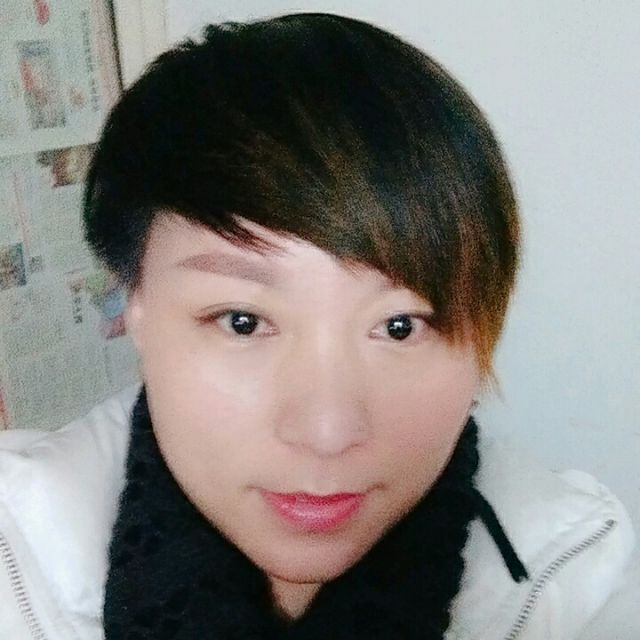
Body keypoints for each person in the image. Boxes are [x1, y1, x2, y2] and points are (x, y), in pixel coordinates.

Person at [0, 12, 636, 640]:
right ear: (134, 307)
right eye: (244, 322)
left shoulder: (577, 581)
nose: (327, 433)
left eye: (400, 327)